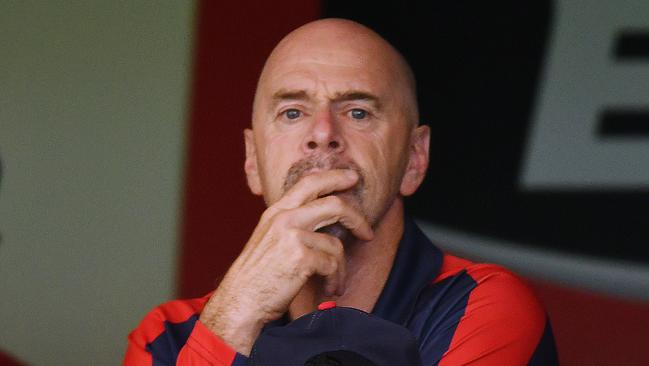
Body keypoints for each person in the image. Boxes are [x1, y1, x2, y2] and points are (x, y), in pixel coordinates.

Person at [124, 18, 558, 365]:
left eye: (357, 111)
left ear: (413, 159)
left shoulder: (482, 307)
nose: (323, 134)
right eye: (293, 112)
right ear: (252, 161)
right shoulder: (166, 337)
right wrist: (236, 312)